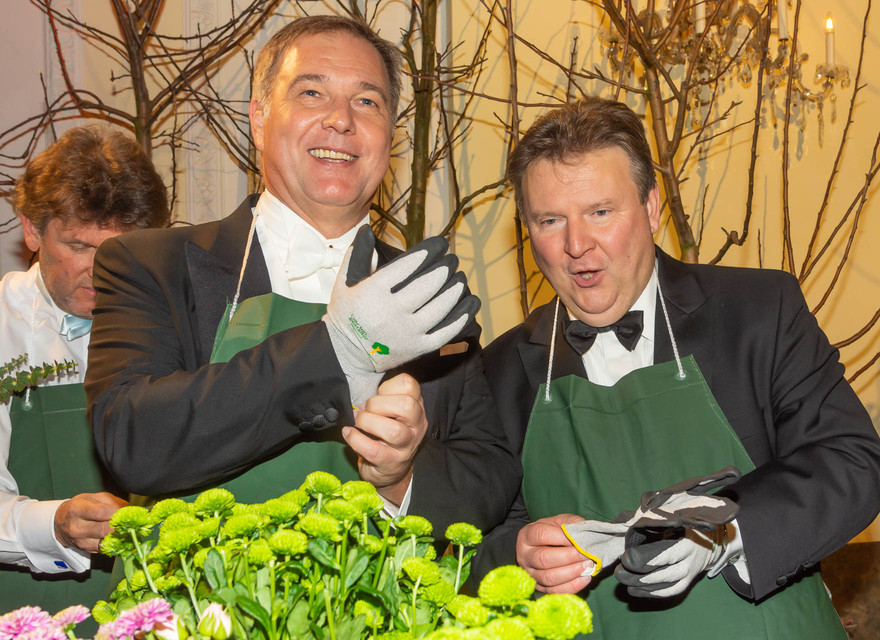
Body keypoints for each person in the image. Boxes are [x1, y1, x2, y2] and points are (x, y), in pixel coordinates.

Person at [84, 16, 519, 541]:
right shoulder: (151, 263)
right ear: (260, 119)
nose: (341, 120)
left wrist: (400, 478)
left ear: (390, 136)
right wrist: (340, 349)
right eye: (312, 92)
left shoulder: (428, 295)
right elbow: (133, 442)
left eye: (367, 101)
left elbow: (489, 480)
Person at [476, 98, 880, 638]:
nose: (576, 245)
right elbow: (471, 542)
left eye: (600, 212)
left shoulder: (759, 311)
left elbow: (850, 461)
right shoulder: (500, 370)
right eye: (550, 221)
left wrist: (726, 531)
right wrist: (518, 552)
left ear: (651, 208)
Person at [1, 125, 169, 614]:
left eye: (123, 249)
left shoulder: (176, 321)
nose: (102, 270)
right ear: (32, 230)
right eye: (79, 246)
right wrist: (54, 524)